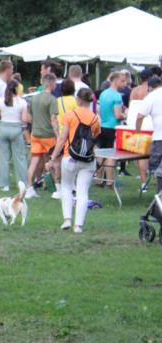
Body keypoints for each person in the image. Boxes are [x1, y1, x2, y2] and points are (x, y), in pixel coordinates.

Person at [49, 89, 101, 233]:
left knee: (66, 187)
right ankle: (78, 225)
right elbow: (95, 137)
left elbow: (62, 139)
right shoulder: (95, 118)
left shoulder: (70, 115)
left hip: (70, 156)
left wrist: (53, 157)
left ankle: (67, 219)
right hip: (88, 158)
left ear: (78, 100)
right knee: (83, 192)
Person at [0, 78, 30, 191]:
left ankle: (4, 184)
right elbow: (24, 119)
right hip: (16, 129)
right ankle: (22, 184)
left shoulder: (0, 101)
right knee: (20, 158)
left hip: (3, 128)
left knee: (4, 158)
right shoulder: (22, 102)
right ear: (17, 89)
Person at [27, 73, 60, 198]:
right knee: (53, 162)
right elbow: (53, 119)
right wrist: (58, 135)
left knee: (34, 162)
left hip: (35, 134)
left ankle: (29, 188)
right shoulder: (52, 100)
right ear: (51, 83)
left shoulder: (33, 98)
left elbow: (30, 116)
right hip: (48, 135)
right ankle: (57, 189)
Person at [95, 71, 126, 188]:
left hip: (102, 126)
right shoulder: (117, 96)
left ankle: (98, 180)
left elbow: (99, 110)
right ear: (115, 80)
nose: (124, 83)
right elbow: (118, 115)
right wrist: (125, 115)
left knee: (101, 153)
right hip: (113, 127)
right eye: (122, 81)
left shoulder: (103, 94)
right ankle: (109, 182)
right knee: (111, 155)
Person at [136, 76, 162, 194]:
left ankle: (160, 196)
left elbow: (140, 117)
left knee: (158, 169)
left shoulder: (151, 96)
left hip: (159, 138)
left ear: (150, 87)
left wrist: (137, 133)